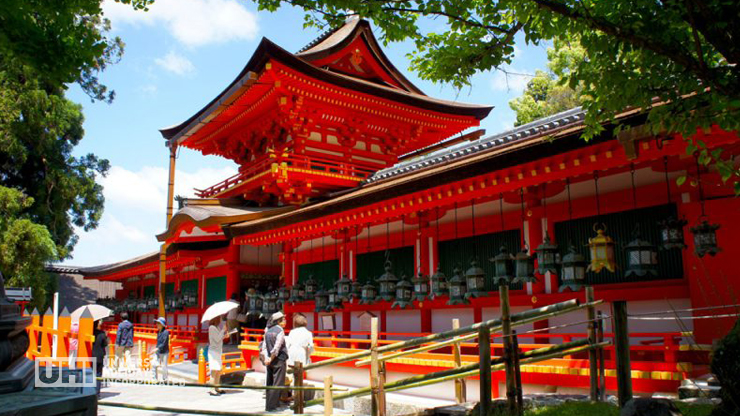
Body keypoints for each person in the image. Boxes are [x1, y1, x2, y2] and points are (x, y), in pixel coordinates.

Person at [262, 311, 288, 411]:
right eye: (284, 319)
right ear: (279, 321)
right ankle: (271, 406)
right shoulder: (280, 331)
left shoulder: (268, 331)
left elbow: (264, 347)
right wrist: (271, 358)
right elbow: (277, 348)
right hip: (279, 360)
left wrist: (267, 358)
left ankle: (270, 404)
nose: (285, 321)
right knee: (277, 383)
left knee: (270, 382)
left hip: (269, 361)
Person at [287, 313, 315, 401]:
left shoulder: (292, 332)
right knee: (300, 374)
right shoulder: (308, 333)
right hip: (301, 353)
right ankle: (298, 396)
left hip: (292, 352)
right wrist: (309, 354)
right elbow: (310, 346)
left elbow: (288, 344)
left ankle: (295, 394)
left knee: (294, 373)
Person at [208, 315, 227, 395]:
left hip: (218, 351)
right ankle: (212, 388)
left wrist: (225, 335)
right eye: (219, 318)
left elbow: (219, 338)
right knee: (214, 370)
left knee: (218, 370)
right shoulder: (212, 328)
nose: (220, 320)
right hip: (213, 352)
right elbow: (217, 339)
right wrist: (223, 330)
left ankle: (217, 387)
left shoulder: (217, 328)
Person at [91, 319, 109, 397]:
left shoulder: (88, 332)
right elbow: (105, 344)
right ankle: (97, 393)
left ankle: (90, 391)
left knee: (90, 374)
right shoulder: (101, 333)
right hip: (99, 355)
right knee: (98, 374)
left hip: (89, 355)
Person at [153, 317, 169, 381]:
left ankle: (165, 379)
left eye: (158, 323)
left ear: (162, 324)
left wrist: (157, 348)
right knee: (154, 363)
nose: (157, 324)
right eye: (157, 323)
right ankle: (154, 378)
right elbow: (158, 342)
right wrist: (156, 348)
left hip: (164, 351)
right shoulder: (158, 332)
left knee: (164, 365)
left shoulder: (166, 332)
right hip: (158, 350)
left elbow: (164, 343)